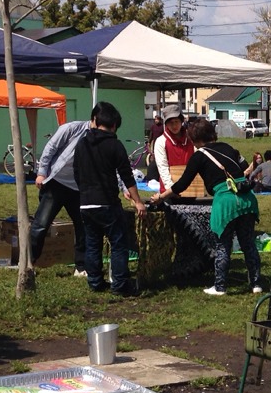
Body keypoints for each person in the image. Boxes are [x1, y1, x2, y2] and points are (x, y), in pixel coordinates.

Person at [147, 118, 262, 296]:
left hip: (225, 202)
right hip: (247, 198)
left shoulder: (199, 156)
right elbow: (246, 168)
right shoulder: (229, 148)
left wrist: (160, 197)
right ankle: (256, 284)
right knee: (248, 244)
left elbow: (182, 185)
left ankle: (220, 286)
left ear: (193, 139)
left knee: (223, 246)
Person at [73, 102, 146, 297]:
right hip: (107, 202)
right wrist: (138, 201)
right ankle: (120, 284)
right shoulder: (115, 145)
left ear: (95, 121)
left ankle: (95, 281)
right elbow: (127, 175)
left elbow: (76, 172)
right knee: (118, 243)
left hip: (86, 203)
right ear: (114, 125)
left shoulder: (82, 144)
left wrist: (84, 192)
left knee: (92, 242)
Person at [29, 118, 89, 276]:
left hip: (78, 187)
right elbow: (50, 148)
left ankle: (81, 267)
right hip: (56, 182)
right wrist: (41, 173)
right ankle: (29, 264)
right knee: (41, 224)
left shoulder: (101, 139)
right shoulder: (71, 129)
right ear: (95, 120)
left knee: (83, 226)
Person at [152, 103, 194, 195]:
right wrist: (172, 189)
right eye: (171, 123)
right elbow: (162, 167)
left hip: (192, 189)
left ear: (181, 121)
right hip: (169, 191)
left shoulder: (191, 139)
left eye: (176, 122)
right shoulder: (161, 141)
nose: (174, 126)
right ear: (166, 124)